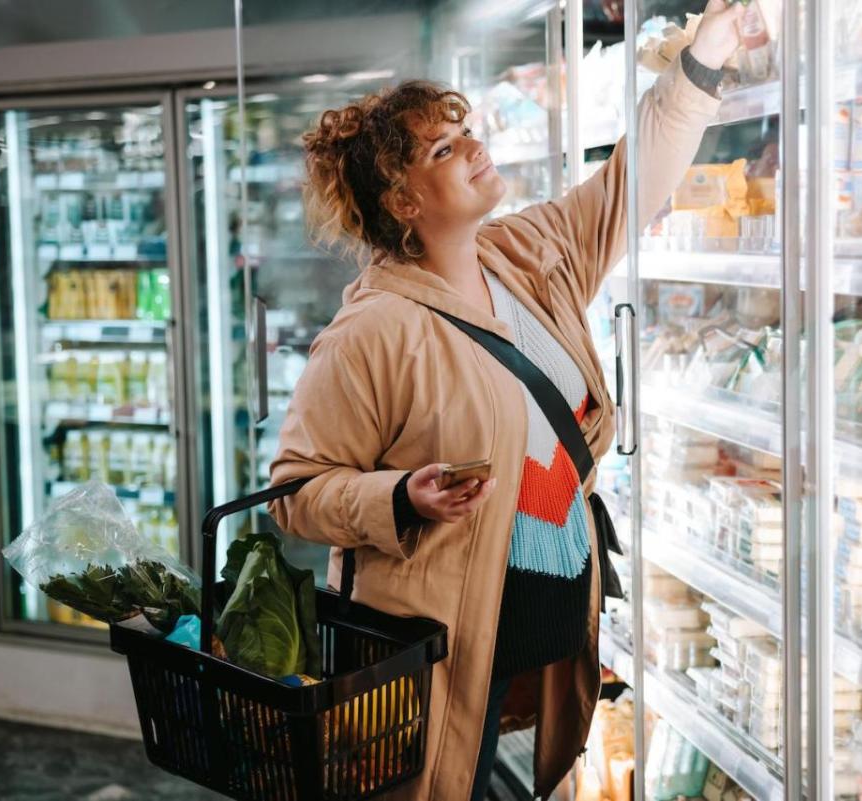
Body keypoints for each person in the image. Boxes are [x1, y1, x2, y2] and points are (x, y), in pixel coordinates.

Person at [268, 3, 744, 798]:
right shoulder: (372, 331)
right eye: (444, 149)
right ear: (406, 204)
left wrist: (707, 61)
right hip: (439, 654)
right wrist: (400, 494)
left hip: (541, 634)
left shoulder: (525, 255)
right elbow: (295, 491)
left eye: (464, 131)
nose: (474, 147)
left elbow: (632, 185)